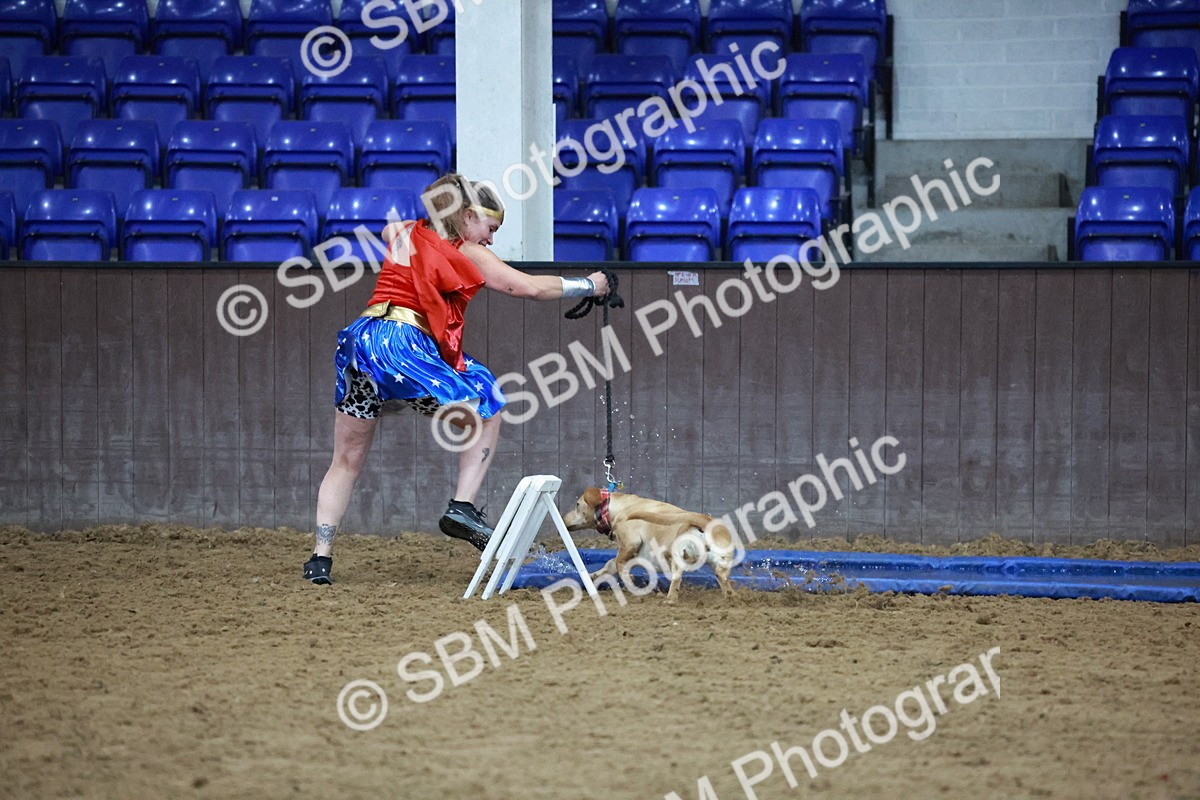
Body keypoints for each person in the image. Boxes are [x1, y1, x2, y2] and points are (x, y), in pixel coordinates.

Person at [303, 173, 609, 584]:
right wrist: (589, 285)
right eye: (490, 229)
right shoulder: (466, 251)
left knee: (346, 459)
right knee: (488, 399)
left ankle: (320, 558)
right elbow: (528, 288)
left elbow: (392, 229)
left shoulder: (404, 232)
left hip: (361, 345)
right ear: (468, 216)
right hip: (403, 345)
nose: (491, 241)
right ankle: (462, 507)